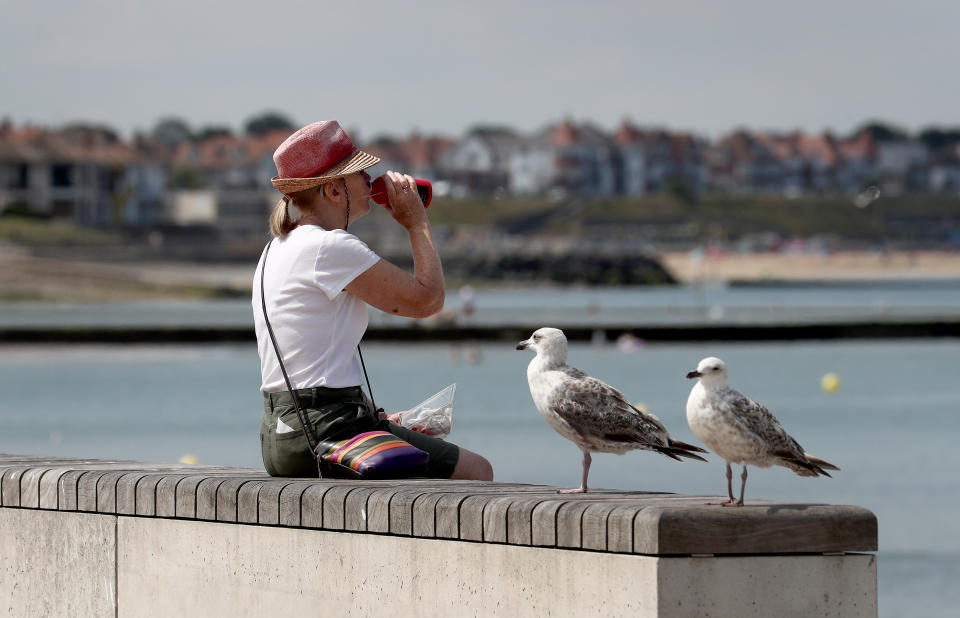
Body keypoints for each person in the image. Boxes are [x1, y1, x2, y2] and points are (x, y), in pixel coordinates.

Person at [253, 120, 493, 481]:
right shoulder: (328, 247)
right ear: (334, 190)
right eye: (358, 172)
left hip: (282, 433)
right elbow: (428, 301)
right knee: (477, 471)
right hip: (324, 432)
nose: (369, 177)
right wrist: (416, 223)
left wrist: (373, 419)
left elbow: (314, 363)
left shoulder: (277, 248)